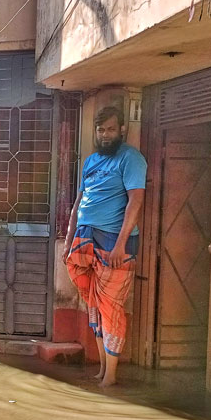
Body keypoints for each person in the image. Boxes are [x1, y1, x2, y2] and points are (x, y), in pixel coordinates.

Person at [63, 106, 146, 387]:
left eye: (111, 129)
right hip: (85, 240)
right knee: (95, 306)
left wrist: (121, 244)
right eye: (101, 130)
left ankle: (110, 376)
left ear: (122, 129)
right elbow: (78, 204)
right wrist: (68, 240)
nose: (105, 135)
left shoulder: (131, 158)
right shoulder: (90, 162)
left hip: (114, 244)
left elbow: (135, 201)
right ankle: (101, 370)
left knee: (111, 307)